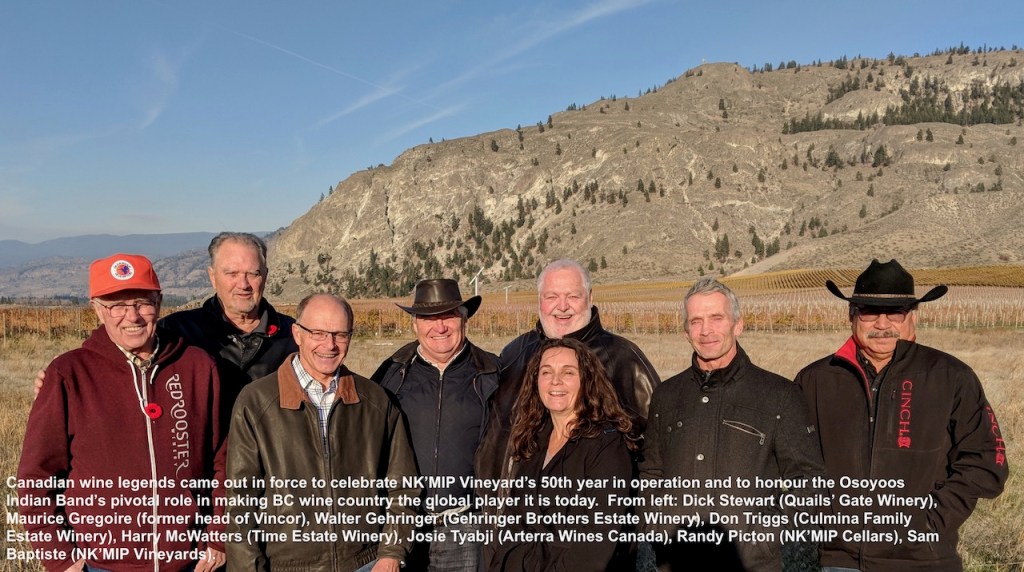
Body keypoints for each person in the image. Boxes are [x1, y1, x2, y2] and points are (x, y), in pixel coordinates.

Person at [17, 253, 227, 572]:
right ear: (97, 309)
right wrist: (60, 558)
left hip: (188, 562)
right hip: (101, 565)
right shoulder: (68, 374)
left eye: (142, 302)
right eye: (116, 305)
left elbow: (223, 462)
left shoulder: (197, 366)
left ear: (159, 302)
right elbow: (36, 476)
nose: (132, 317)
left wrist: (217, 538)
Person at [795, 259, 1008, 571]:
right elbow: (791, 462)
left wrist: (929, 523)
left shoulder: (951, 377)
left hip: (924, 561)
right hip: (838, 561)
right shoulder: (815, 380)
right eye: (869, 311)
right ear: (852, 314)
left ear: (913, 316)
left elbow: (988, 463)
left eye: (895, 312)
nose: (882, 324)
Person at [639, 277, 825, 572]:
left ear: (737, 324)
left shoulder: (780, 395)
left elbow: (808, 482)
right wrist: (658, 525)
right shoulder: (667, 395)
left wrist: (759, 541)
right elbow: (651, 472)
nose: (706, 330)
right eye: (696, 321)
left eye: (716, 318)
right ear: (686, 331)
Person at [226, 293, 419, 572]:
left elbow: (403, 486)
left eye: (340, 334)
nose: (329, 345)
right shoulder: (256, 402)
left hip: (364, 564)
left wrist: (391, 552)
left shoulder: (376, 402)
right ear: (297, 333)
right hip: (286, 566)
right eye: (317, 333)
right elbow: (240, 503)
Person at [477, 259, 659, 481]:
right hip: (505, 508)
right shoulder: (516, 352)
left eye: (573, 296)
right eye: (551, 297)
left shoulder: (623, 359)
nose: (562, 306)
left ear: (590, 298)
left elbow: (656, 445)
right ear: (539, 300)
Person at [371, 279, 499, 572]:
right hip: (401, 524)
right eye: (429, 318)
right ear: (415, 324)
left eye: (449, 316)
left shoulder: (494, 373)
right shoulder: (391, 373)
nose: (439, 327)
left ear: (464, 318)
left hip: (465, 527)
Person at [487, 338, 637, 572]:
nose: (555, 381)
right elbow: (514, 518)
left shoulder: (606, 444)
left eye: (568, 372)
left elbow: (598, 540)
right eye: (546, 372)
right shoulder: (534, 436)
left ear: (586, 381)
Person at [161, 231, 297, 408]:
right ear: (212, 277)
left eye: (253, 274)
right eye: (232, 273)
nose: (243, 285)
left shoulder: (294, 336)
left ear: (265, 276)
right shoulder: (176, 332)